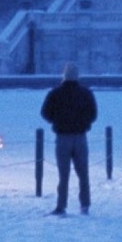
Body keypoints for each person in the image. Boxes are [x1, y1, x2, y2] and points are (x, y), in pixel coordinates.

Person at [40, 62, 98, 216]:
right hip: (80, 137)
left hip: (62, 137)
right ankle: (85, 205)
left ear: (64, 76)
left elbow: (45, 112)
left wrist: (57, 121)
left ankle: (61, 205)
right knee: (83, 174)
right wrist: (83, 123)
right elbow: (93, 114)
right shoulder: (86, 93)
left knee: (63, 175)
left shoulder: (55, 93)